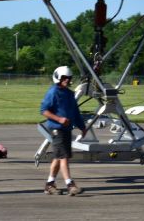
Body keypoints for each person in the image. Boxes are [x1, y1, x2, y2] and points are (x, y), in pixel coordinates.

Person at [41, 66, 87, 196]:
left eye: (69, 78)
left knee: (58, 157)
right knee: (64, 156)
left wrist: (82, 126)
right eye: (64, 78)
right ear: (58, 78)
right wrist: (59, 119)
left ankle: (49, 184)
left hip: (67, 129)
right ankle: (70, 185)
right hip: (57, 129)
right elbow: (44, 110)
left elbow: (75, 112)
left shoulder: (69, 94)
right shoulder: (53, 92)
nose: (67, 80)